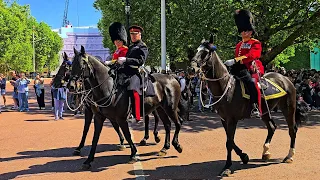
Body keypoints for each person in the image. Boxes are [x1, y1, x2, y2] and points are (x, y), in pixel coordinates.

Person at [224, 9, 264, 118]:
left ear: (251, 31)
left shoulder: (255, 43)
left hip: (251, 67)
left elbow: (252, 55)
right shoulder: (238, 45)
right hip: (238, 68)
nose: (244, 33)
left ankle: (255, 106)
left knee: (251, 82)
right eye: (242, 31)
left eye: (247, 30)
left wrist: (235, 60)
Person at [117, 25, 149, 123]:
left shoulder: (142, 46)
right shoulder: (131, 47)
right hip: (125, 71)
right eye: (131, 34)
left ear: (140, 35)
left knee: (134, 90)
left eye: (135, 34)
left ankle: (137, 115)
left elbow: (140, 60)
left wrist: (126, 59)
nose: (133, 36)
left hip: (135, 72)